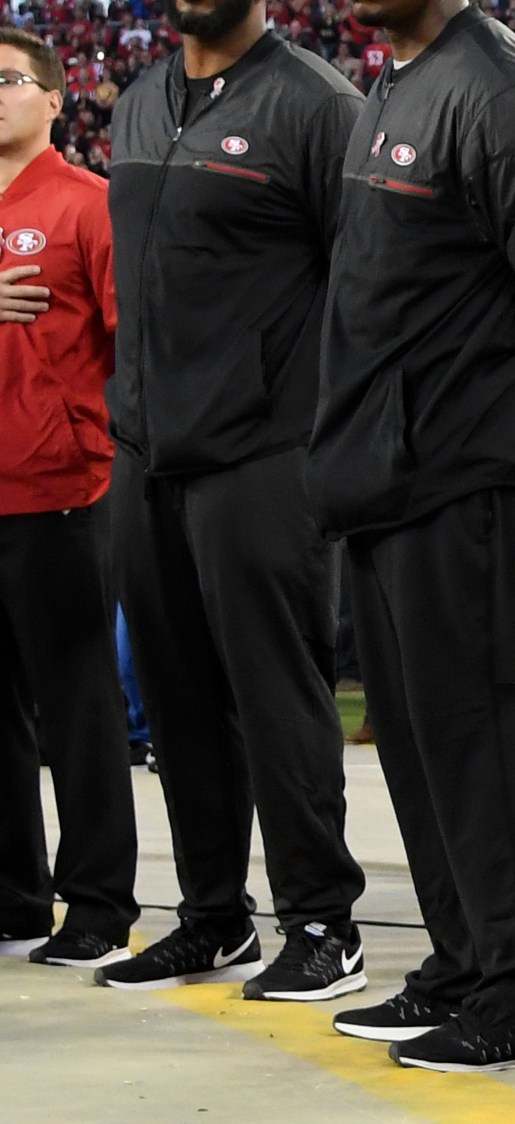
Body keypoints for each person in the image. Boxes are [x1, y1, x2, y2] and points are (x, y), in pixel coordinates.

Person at [309, 0, 515, 1072]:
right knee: (425, 744)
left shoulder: (497, 90)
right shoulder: (400, 75)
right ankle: (466, 962)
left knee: (483, 738)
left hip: (470, 468)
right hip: (393, 471)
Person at [89, 0, 371, 999]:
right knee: (176, 700)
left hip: (265, 451)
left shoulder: (319, 104)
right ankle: (213, 918)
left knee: (279, 696)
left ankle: (323, 923)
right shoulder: (136, 102)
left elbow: (364, 285)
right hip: (145, 449)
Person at [0, 25, 138, 973]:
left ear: (55, 98)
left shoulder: (89, 203)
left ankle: (95, 903)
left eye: (6, 79)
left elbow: (136, 352)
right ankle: (13, 897)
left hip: (64, 491)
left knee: (79, 706)